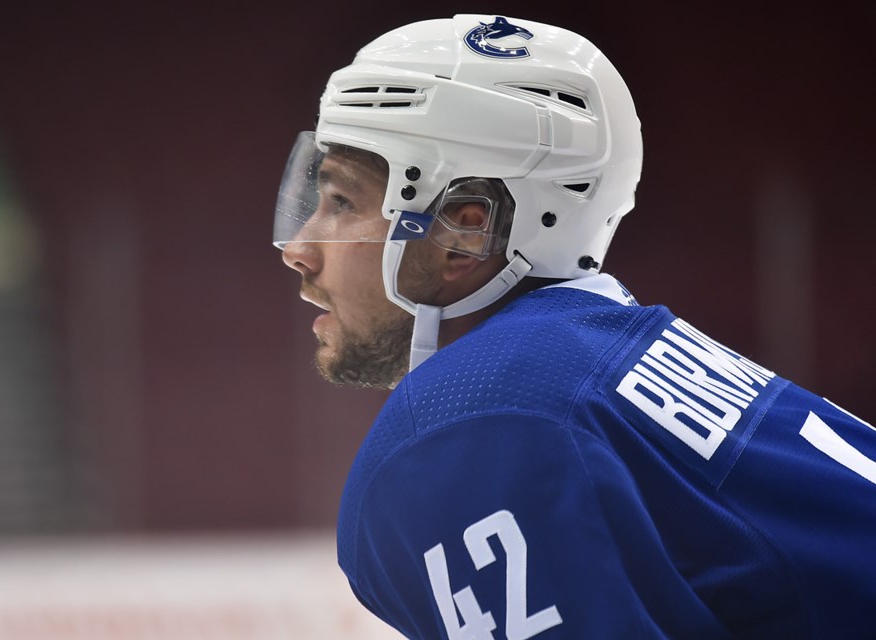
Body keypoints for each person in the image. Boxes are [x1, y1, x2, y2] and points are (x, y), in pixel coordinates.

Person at [273, 14, 876, 639]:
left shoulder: (474, 417)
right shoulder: (589, 359)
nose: (300, 246)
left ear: (461, 233)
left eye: (342, 202)